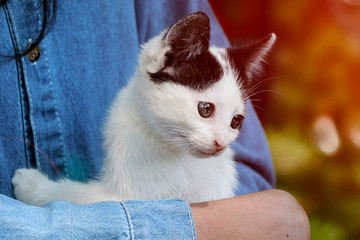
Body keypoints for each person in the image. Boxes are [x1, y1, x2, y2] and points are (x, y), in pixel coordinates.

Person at [0, 0, 310, 239]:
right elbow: (121, 205)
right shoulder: (132, 125)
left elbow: (254, 175)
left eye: (235, 122)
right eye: (205, 110)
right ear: (166, 58)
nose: (221, 141)